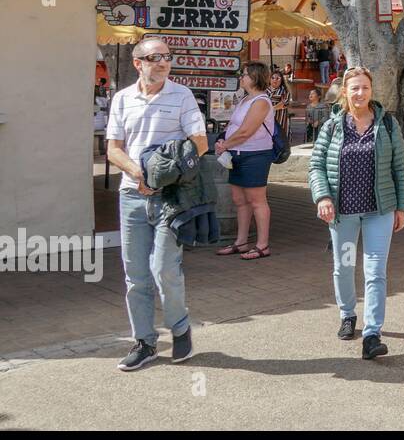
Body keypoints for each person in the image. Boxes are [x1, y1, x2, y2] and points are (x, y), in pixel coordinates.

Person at [105, 37, 208, 371]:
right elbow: (114, 149)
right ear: (138, 63)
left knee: (163, 268)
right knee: (136, 276)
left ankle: (180, 329)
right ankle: (145, 342)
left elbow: (200, 144)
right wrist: (139, 174)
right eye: (155, 58)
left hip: (170, 198)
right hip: (131, 196)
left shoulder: (182, 95)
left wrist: (163, 173)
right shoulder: (122, 99)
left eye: (167, 57)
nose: (163, 63)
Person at [310, 67, 404, 360]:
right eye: (354, 88)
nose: (360, 93)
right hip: (342, 213)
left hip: (379, 210)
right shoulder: (332, 126)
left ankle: (372, 333)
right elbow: (316, 166)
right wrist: (323, 197)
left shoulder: (387, 125)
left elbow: (399, 168)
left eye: (365, 88)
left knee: (375, 271)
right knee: (343, 266)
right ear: (345, 91)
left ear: (371, 91)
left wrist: (402, 206)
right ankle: (347, 313)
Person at [213, 62, 277, 259]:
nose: (241, 77)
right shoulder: (245, 99)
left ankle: (262, 245)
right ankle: (241, 241)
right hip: (237, 154)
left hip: (255, 155)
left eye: (245, 75)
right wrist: (225, 141)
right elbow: (235, 126)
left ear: (255, 77)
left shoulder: (261, 101)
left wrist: (225, 145)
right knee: (240, 200)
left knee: (257, 200)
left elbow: (246, 131)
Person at [267, 68, 291, 134]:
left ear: (281, 80)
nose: (275, 80)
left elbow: (283, 104)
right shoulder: (264, 91)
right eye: (273, 78)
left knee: (279, 138)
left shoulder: (284, 91)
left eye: (278, 78)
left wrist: (270, 109)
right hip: (266, 119)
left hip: (279, 118)